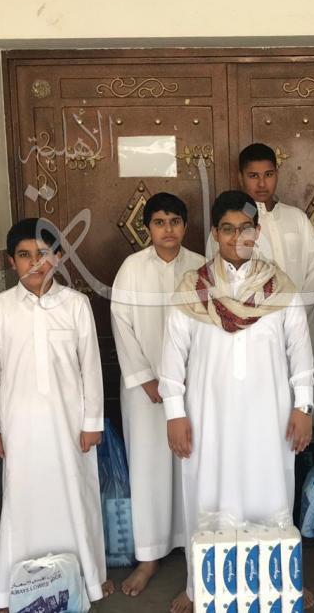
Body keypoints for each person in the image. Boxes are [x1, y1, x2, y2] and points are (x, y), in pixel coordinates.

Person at [160, 190, 314, 613]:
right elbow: (172, 358)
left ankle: (283, 580)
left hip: (269, 415)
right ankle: (199, 588)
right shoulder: (193, 288)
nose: (236, 237)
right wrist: (175, 414)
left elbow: (300, 352)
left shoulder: (280, 287)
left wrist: (303, 407)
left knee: (272, 493)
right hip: (209, 416)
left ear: (257, 232)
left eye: (245, 228)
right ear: (215, 233)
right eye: (227, 229)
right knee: (208, 497)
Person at [0, 218, 111, 610]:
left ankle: (86, 581)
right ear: (11, 261)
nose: (35, 263)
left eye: (44, 254)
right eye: (24, 255)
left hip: (70, 425)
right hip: (18, 427)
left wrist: (92, 422)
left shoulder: (76, 304)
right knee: (22, 503)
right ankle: (13, 590)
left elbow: (90, 367)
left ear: (59, 257)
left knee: (75, 497)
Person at [110, 192, 204, 597]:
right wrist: (146, 378)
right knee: (149, 467)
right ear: (147, 227)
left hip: (193, 387)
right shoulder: (131, 268)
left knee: (192, 466)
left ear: (185, 226)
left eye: (175, 221)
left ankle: (193, 547)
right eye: (160, 222)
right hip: (144, 391)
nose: (168, 229)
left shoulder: (202, 267)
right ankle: (149, 556)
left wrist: (190, 381)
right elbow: (121, 323)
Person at [235, 142, 314, 426]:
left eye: (268, 174)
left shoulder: (296, 218)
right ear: (241, 177)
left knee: (301, 399)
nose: (262, 183)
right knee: (262, 411)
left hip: (301, 323)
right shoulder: (233, 222)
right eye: (253, 176)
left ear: (277, 174)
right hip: (255, 332)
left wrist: (298, 315)